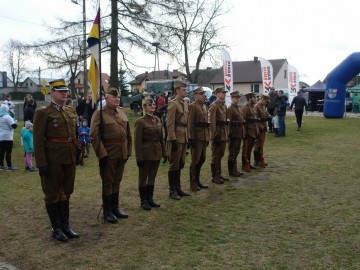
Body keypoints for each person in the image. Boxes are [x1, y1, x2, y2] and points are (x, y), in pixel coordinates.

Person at [33, 79, 80, 242]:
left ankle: (65, 226)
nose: (64, 93)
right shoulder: (43, 112)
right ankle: (56, 228)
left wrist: (77, 153)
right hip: (52, 159)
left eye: (65, 91)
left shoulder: (67, 111)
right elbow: (38, 140)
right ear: (52, 92)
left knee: (66, 192)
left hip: (68, 157)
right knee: (52, 194)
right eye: (60, 91)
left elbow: (72, 136)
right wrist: (41, 163)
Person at [90, 88, 132, 223]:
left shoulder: (122, 111)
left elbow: (128, 134)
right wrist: (102, 154)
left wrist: (128, 151)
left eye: (118, 97)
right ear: (106, 99)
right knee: (108, 182)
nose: (117, 99)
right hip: (109, 152)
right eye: (113, 97)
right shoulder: (99, 114)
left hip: (122, 151)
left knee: (117, 181)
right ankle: (107, 211)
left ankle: (115, 208)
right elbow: (94, 135)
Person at [134, 98, 166, 210]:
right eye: (150, 104)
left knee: (152, 177)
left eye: (153, 104)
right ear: (145, 107)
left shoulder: (157, 119)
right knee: (143, 177)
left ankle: (150, 199)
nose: (153, 106)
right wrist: (139, 157)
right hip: (146, 153)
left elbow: (161, 138)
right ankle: (143, 200)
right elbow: (137, 141)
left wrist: (164, 152)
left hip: (156, 152)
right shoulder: (141, 121)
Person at [166, 81, 190, 200]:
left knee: (181, 163)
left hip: (184, 136)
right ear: (177, 91)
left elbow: (186, 123)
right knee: (174, 164)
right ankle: (172, 190)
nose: (186, 91)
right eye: (184, 90)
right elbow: (169, 123)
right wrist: (172, 139)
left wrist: (188, 137)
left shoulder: (185, 103)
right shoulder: (173, 104)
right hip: (176, 137)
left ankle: (178, 187)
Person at [187, 87, 210, 192]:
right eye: (200, 94)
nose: (203, 95)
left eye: (203, 94)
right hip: (196, 137)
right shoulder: (192, 106)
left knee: (202, 159)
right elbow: (190, 123)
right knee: (195, 161)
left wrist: (208, 136)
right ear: (195, 95)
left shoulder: (204, 106)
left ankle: (197, 180)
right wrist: (191, 138)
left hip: (204, 136)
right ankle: (193, 182)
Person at [209, 87, 229, 184]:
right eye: (222, 92)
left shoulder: (223, 106)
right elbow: (212, 122)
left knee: (220, 155)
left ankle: (219, 174)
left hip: (223, 133)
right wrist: (214, 135)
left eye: (225, 93)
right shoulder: (214, 106)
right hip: (217, 134)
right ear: (217, 94)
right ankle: (214, 176)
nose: (224, 94)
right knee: (215, 155)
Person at [227, 91, 245, 177]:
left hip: (238, 133)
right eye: (236, 98)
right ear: (232, 98)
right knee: (232, 153)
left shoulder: (237, 108)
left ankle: (234, 169)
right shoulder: (230, 109)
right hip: (234, 133)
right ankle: (232, 171)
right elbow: (229, 123)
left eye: (238, 98)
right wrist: (230, 133)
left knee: (236, 152)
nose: (238, 99)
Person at [240, 92, 259, 173]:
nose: (256, 99)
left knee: (250, 148)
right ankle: (244, 164)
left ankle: (248, 162)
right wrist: (244, 132)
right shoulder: (246, 107)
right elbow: (242, 121)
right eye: (254, 97)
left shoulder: (253, 107)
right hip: (248, 131)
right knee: (246, 148)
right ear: (249, 99)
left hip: (253, 131)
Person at [254, 94, 271, 167]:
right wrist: (260, 127)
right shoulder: (256, 107)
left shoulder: (262, 107)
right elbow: (256, 119)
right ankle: (256, 161)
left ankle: (260, 159)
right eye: (266, 101)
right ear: (263, 99)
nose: (266, 103)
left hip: (263, 128)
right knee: (258, 145)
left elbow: (267, 114)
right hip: (259, 128)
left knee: (261, 145)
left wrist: (269, 116)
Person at [0, 104, 18, 171]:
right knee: (8, 152)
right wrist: (15, 122)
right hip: (7, 137)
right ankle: (9, 167)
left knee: (1, 151)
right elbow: (14, 126)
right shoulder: (7, 117)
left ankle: (1, 165)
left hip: (1, 136)